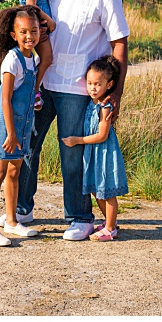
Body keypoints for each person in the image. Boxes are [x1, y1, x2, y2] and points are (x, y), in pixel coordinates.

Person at [4, 0, 130, 242]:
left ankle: (80, 217)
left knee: (72, 153)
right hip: (42, 83)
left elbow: (119, 44)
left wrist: (115, 93)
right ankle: (21, 210)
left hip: (77, 88)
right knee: (28, 146)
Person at [0, 6, 45, 246]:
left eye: (34, 30)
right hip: (8, 129)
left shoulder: (34, 58)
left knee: (15, 172)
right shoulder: (12, 59)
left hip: (23, 125)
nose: (29, 36)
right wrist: (10, 133)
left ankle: (11, 220)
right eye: (24, 32)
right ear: (13, 35)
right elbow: (6, 99)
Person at [62, 56, 128, 242]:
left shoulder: (105, 106)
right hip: (94, 153)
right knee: (95, 189)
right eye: (90, 83)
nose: (93, 88)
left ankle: (110, 229)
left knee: (107, 191)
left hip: (104, 153)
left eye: (98, 84)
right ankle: (110, 223)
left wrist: (77, 140)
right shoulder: (92, 103)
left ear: (109, 84)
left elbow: (102, 135)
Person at [16, 0, 57, 110]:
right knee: (46, 59)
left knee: (42, 59)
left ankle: (33, 89)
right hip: (36, 30)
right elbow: (31, 7)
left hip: (40, 30)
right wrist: (50, 21)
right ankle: (33, 91)